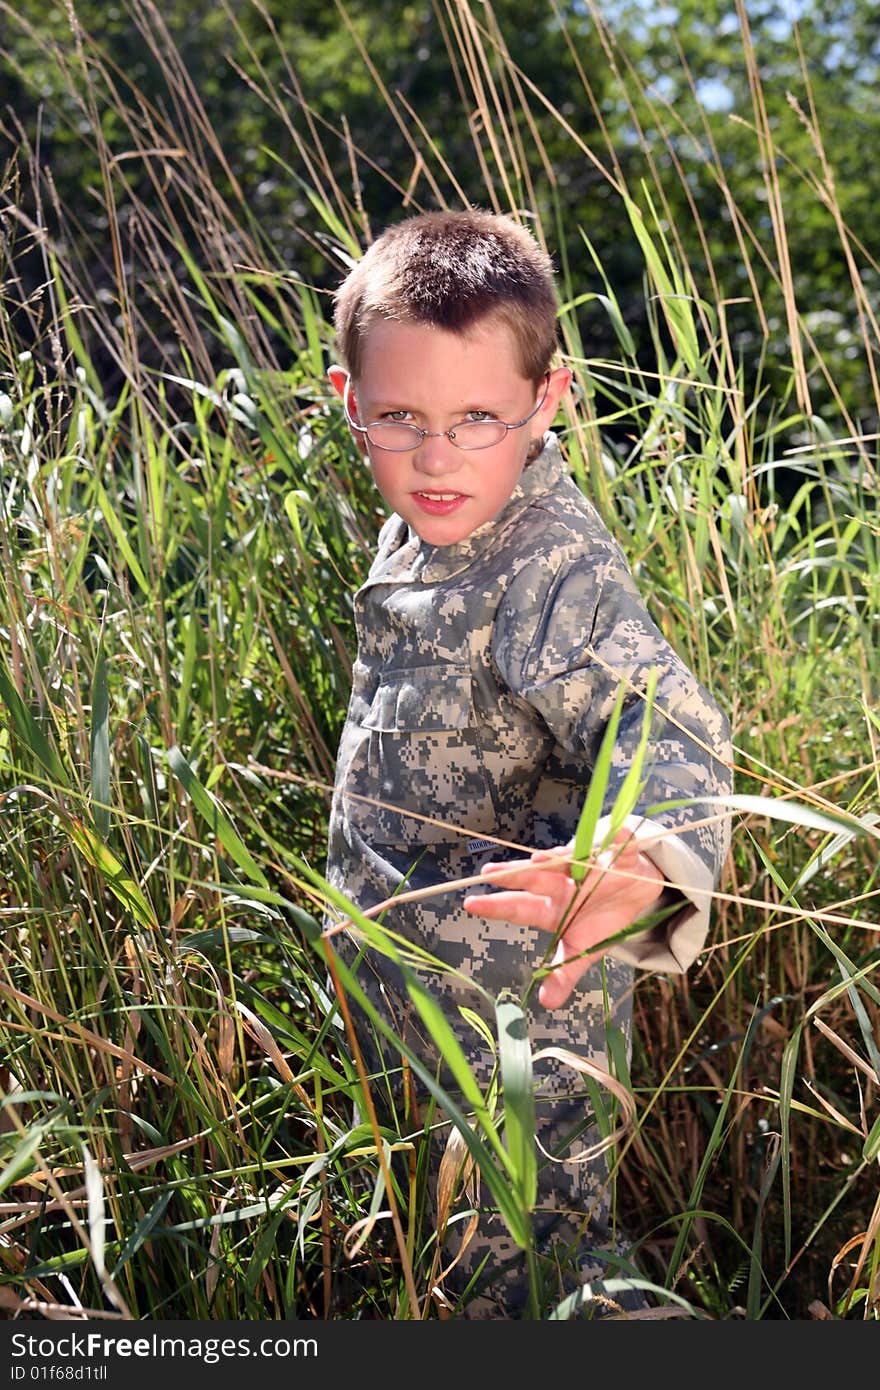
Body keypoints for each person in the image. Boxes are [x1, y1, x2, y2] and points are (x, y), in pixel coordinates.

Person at [322, 207, 732, 1318]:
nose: (437, 456)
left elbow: (669, 727)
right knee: (458, 1266)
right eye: (400, 418)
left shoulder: (553, 565)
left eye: (478, 418)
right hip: (416, 1006)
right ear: (348, 400)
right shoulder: (421, 523)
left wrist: (646, 860)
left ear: (547, 404)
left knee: (548, 1278)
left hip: (517, 1028)